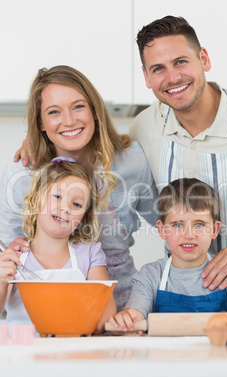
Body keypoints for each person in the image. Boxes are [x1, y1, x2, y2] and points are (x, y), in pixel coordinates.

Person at [129, 15, 227, 310]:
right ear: (146, 76)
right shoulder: (144, 129)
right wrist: (37, 141)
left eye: (181, 62)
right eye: (158, 68)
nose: (172, 77)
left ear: (204, 58)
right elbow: (95, 156)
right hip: (179, 315)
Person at [0, 65, 158, 311]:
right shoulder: (22, 175)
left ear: (94, 109)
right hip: (42, 311)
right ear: (40, 123)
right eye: (54, 112)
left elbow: (168, 222)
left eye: (78, 106)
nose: (69, 120)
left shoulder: (131, 161)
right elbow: (9, 253)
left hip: (123, 307)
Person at [108, 178, 227, 332]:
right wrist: (126, 321)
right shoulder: (149, 276)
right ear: (162, 229)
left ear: (214, 229)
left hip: (219, 358)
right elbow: (134, 317)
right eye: (178, 224)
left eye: (199, 224)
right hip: (164, 359)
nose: (189, 235)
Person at [0, 158, 116, 333]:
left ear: (83, 217)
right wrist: (2, 282)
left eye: (76, 204)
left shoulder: (90, 254)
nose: (65, 208)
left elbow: (106, 314)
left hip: (72, 353)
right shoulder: (14, 256)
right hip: (22, 354)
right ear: (36, 198)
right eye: (57, 196)